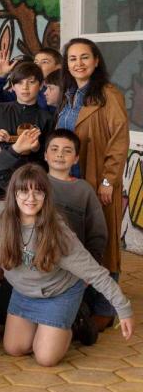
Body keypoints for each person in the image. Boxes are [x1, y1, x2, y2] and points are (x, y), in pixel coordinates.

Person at [0, 165, 134, 366]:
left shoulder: (58, 232)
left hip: (58, 292)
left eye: (38, 191)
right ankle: (50, 327)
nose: (30, 198)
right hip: (24, 291)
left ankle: (74, 322)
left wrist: (124, 309)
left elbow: (96, 273)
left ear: (46, 195)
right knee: (15, 349)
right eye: (24, 190)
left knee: (45, 358)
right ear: (14, 192)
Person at [57, 39, 129, 287]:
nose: (79, 63)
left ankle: (105, 308)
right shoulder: (68, 96)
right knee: (76, 241)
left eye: (84, 57)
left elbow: (119, 142)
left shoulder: (109, 94)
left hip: (97, 178)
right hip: (70, 182)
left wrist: (108, 180)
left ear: (96, 61)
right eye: (72, 58)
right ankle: (82, 304)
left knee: (103, 243)